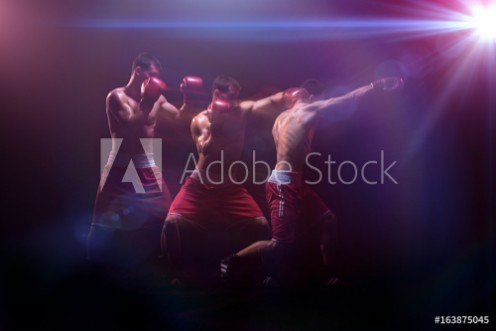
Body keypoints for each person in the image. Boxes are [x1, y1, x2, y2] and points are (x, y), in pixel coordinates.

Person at [221, 77, 404, 286]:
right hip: (283, 184)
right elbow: (346, 99)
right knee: (279, 244)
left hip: (294, 182)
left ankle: (328, 276)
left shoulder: (281, 117)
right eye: (317, 98)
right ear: (309, 97)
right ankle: (231, 261)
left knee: (328, 220)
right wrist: (374, 86)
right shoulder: (306, 111)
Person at [161, 75, 290, 285]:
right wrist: (216, 124)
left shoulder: (241, 110)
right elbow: (206, 149)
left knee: (262, 227)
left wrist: (286, 96)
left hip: (230, 188)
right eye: (230, 97)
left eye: (236, 97)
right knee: (171, 224)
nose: (234, 101)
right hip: (200, 187)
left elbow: (267, 102)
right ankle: (176, 274)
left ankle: (239, 266)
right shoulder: (200, 120)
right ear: (217, 95)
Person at [87, 52, 179, 281]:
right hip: (120, 161)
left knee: (167, 218)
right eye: (152, 74)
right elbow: (132, 127)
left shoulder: (157, 98)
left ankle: (168, 271)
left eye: (158, 76)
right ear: (138, 71)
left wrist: (191, 100)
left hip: (147, 161)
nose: (155, 79)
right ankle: (89, 272)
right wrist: (147, 101)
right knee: (102, 222)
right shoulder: (116, 96)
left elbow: (178, 118)